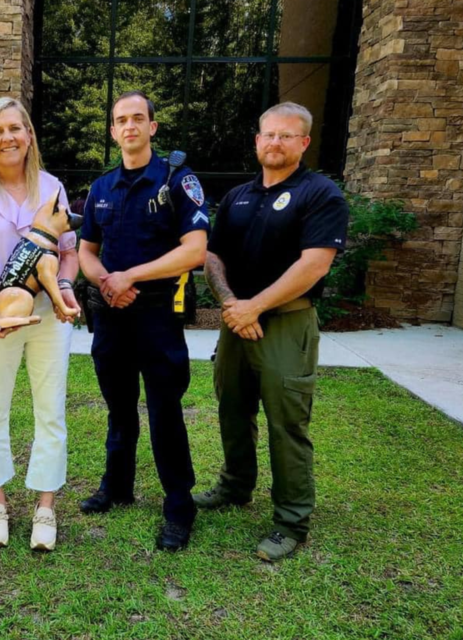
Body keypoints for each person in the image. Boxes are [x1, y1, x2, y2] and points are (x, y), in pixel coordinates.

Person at [194, 101, 349, 562]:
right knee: (232, 409)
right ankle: (235, 486)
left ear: (304, 142)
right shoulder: (240, 196)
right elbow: (213, 255)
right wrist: (229, 304)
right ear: (257, 140)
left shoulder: (321, 194)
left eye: (287, 136)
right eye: (268, 135)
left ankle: (291, 521)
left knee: (287, 424)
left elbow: (315, 264)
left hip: (285, 324)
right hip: (235, 323)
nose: (275, 143)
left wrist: (255, 307)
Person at [77, 91, 209, 551]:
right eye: (120, 120)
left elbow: (194, 251)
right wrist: (108, 283)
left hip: (157, 314)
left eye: (138, 118)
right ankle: (117, 485)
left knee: (164, 410)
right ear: (113, 131)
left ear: (152, 126)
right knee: (118, 404)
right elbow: (86, 253)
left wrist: (130, 276)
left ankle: (179, 504)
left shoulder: (177, 179)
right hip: (110, 313)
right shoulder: (100, 188)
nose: (129, 126)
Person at [0, 97, 80, 551]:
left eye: (15, 128)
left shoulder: (52, 188)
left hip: (47, 316)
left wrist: (64, 287)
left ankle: (46, 506)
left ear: (28, 136)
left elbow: (68, 252)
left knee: (51, 410)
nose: (7, 137)